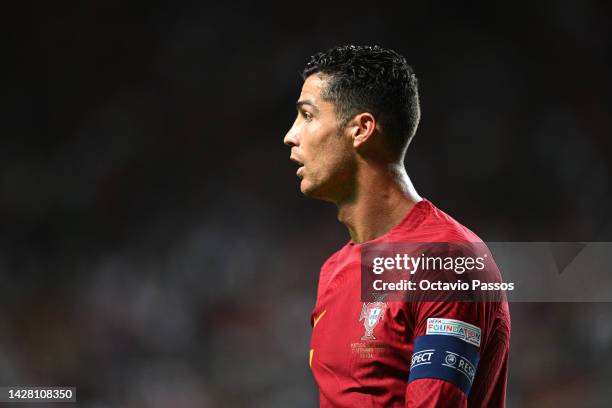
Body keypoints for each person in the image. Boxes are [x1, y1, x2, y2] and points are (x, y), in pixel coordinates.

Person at [283, 45, 511, 407]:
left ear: (361, 129)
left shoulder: (445, 262)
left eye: (307, 116)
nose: (291, 135)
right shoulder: (334, 271)